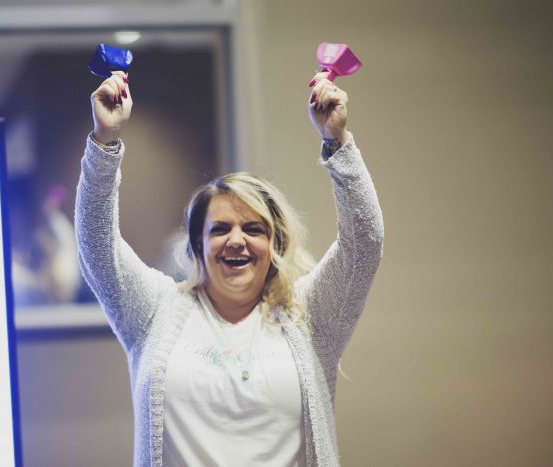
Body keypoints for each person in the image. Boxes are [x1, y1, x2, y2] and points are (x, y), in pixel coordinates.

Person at [75, 68, 383, 466]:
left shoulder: (310, 315)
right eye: (220, 229)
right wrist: (104, 142)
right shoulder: (155, 309)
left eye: (253, 229)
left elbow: (365, 243)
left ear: (274, 243)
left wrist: (337, 142)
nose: (236, 240)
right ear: (197, 244)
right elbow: (96, 245)